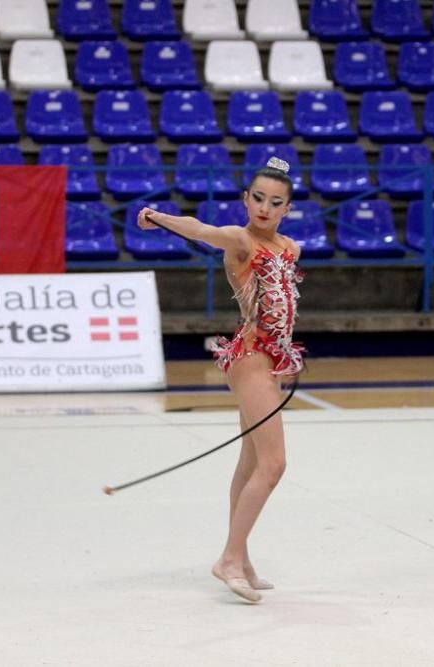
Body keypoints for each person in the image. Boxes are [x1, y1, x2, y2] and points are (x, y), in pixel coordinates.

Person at [137, 157, 304, 603]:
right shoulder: (240, 240)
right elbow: (198, 228)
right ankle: (229, 558)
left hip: (269, 359)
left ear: (287, 208)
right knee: (274, 465)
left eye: (275, 202)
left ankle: (242, 559)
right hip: (250, 357)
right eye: (257, 198)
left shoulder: (290, 248)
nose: (265, 208)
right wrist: (157, 217)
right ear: (244, 199)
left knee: (250, 464)